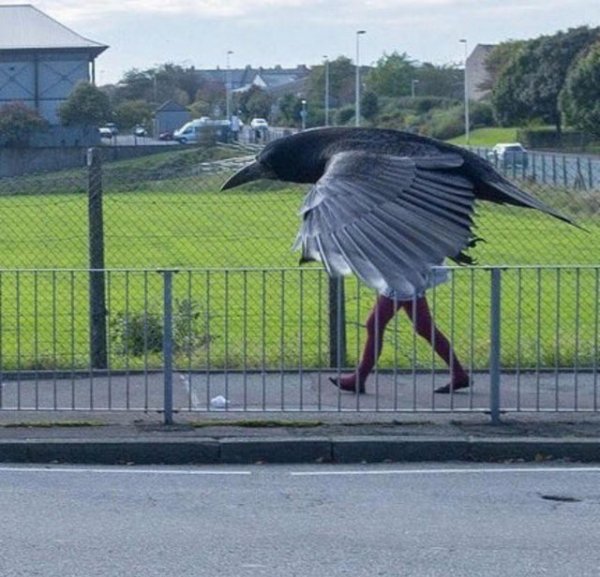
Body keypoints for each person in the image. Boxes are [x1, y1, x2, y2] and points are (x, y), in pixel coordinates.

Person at [329, 267, 470, 395]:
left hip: (403, 276)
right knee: (424, 327)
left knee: (375, 324)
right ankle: (459, 374)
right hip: (409, 273)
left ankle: (358, 379)